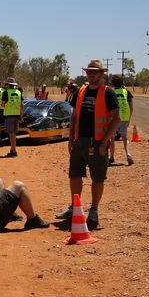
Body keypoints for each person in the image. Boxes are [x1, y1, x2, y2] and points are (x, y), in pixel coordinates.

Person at [56, 59, 120, 229]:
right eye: (89, 72)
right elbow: (74, 116)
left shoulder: (108, 93)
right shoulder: (80, 91)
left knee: (97, 177)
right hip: (79, 142)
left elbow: (117, 118)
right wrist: (70, 140)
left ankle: (94, 210)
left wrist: (105, 141)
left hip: (97, 142)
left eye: (95, 72)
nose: (91, 74)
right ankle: (74, 207)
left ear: (101, 74)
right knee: (74, 175)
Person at [109, 75, 134, 166]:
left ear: (112, 84)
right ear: (123, 83)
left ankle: (111, 157)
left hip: (114, 118)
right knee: (124, 137)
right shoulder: (126, 92)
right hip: (124, 117)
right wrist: (129, 118)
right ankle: (128, 154)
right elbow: (131, 107)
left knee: (112, 138)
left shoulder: (111, 92)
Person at [0, 78, 23, 157]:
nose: (5, 86)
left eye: (6, 84)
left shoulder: (6, 93)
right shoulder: (19, 92)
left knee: (11, 134)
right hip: (17, 115)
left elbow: (2, 104)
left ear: (9, 85)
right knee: (14, 134)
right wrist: (21, 116)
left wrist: (5, 105)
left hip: (9, 115)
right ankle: (12, 149)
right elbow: (22, 105)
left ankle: (14, 151)